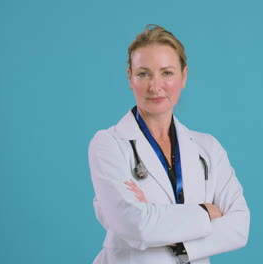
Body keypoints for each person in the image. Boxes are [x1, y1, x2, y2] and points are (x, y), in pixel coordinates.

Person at [88, 24, 250, 264]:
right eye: (143, 73)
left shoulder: (208, 148)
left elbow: (238, 226)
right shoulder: (109, 144)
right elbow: (136, 225)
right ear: (130, 77)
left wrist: (177, 244)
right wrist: (205, 212)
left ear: (183, 77)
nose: (155, 86)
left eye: (167, 73)